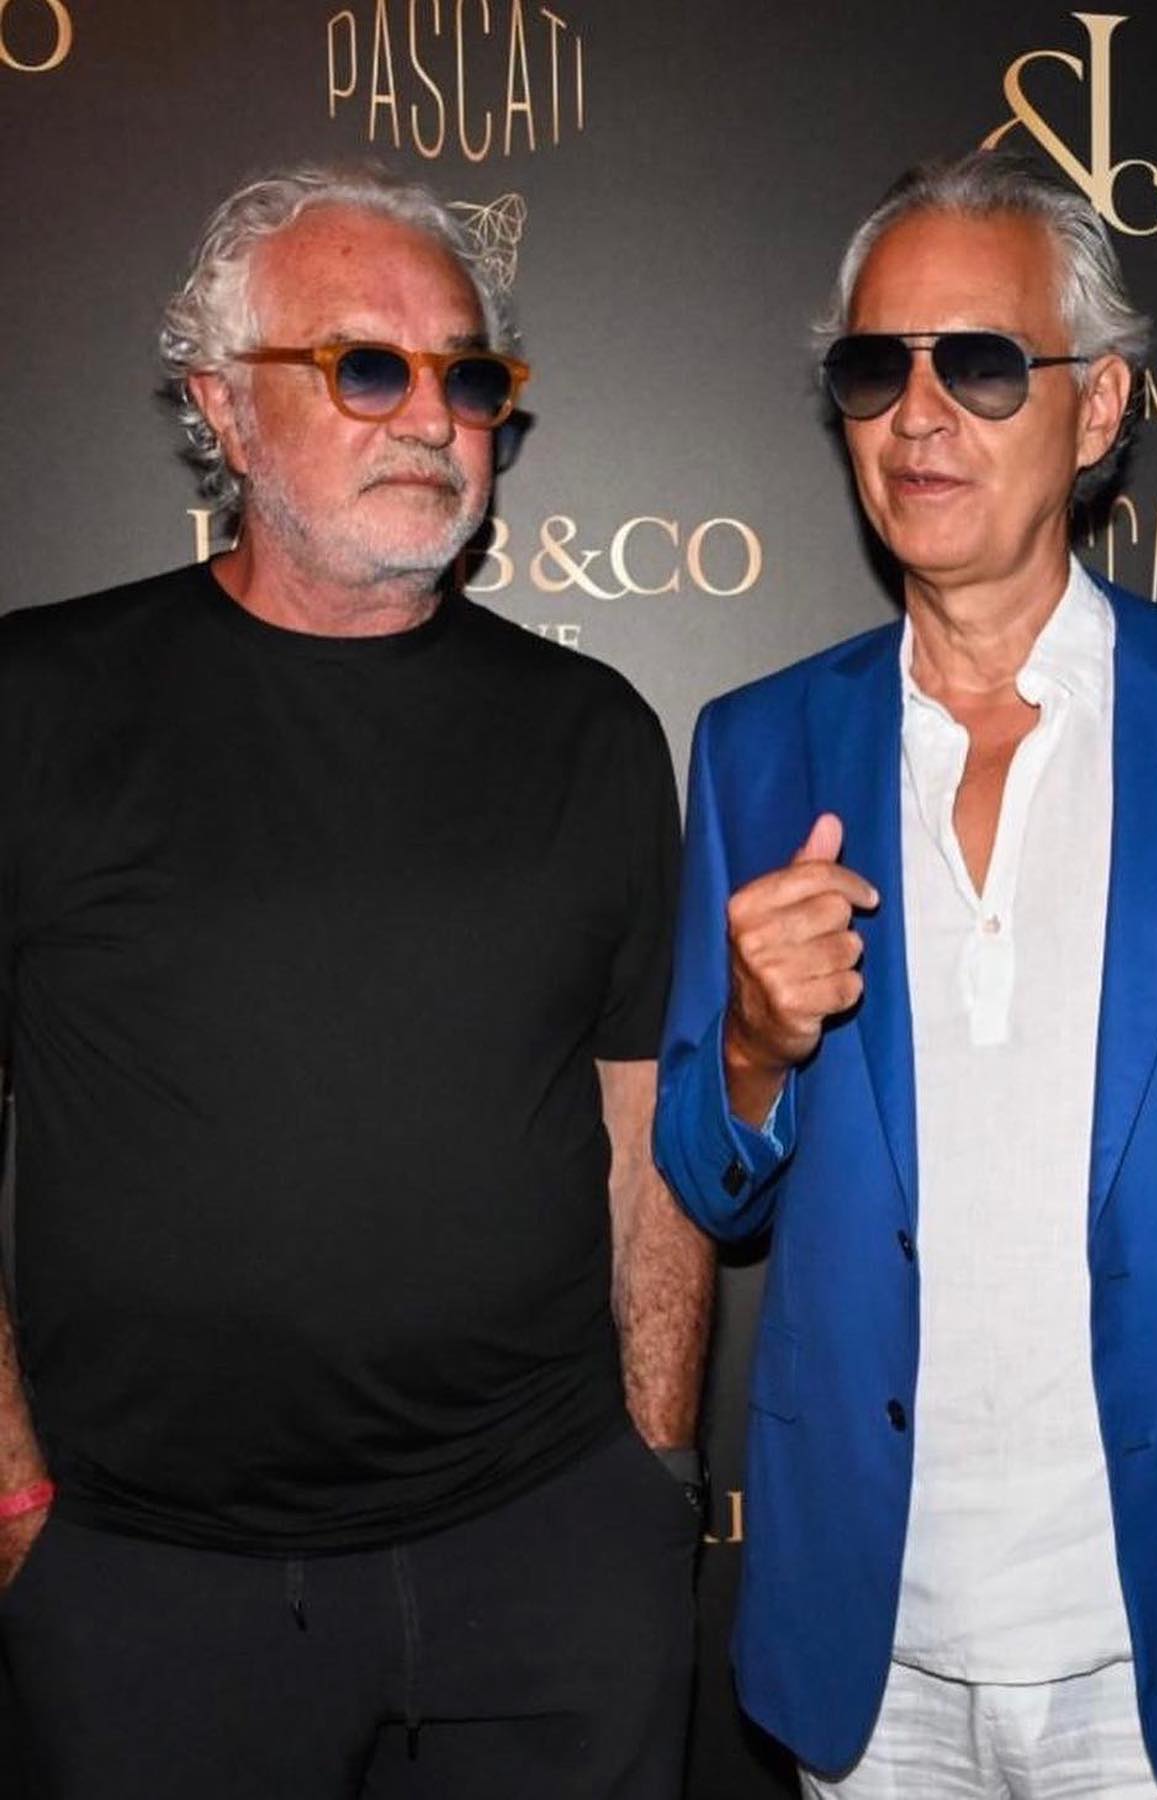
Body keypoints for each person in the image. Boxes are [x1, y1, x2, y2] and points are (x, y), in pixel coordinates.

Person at [654, 148, 1157, 1800]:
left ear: (1101, 410)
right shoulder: (757, 744)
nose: (917, 414)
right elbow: (710, 1180)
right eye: (875, 369)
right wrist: (753, 1047)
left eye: (982, 363)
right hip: (874, 1652)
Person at [0, 163, 712, 1800]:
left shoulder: (593, 732)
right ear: (220, 405)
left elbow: (645, 1133)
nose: (431, 418)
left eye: (467, 376)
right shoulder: (40, 705)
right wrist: (21, 1513)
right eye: (367, 367)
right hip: (153, 1586)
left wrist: (657, 1470)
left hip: (552, 1556)